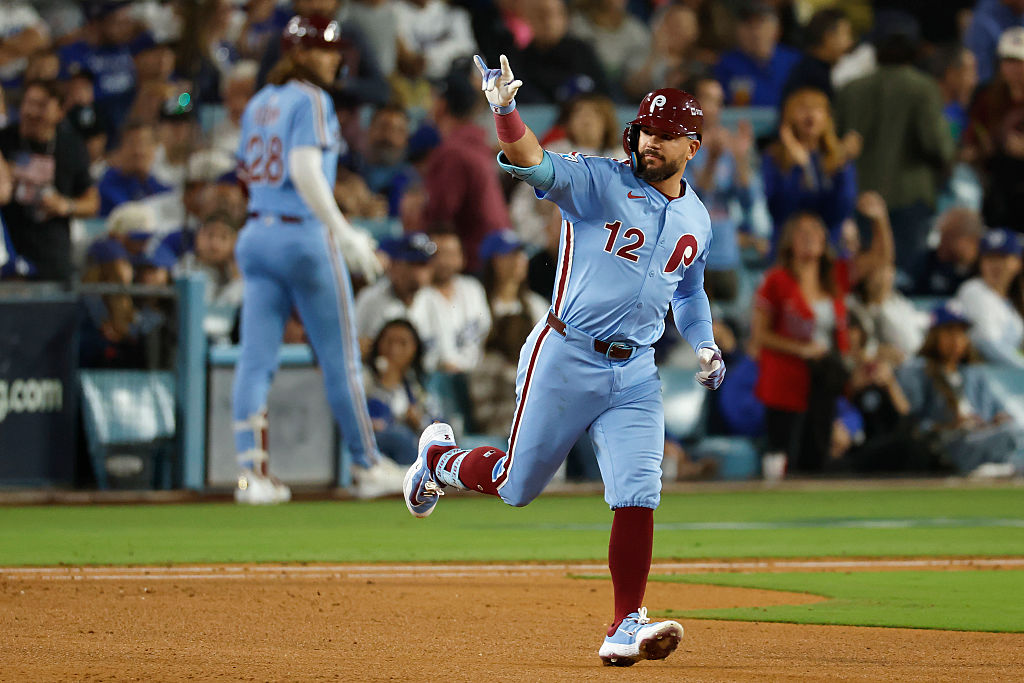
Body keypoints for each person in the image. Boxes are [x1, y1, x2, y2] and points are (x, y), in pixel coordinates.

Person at [403, 54, 725, 667]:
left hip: (635, 371)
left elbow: (688, 290)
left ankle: (626, 621)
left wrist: (704, 342)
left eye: (664, 135)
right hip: (567, 353)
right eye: (646, 130)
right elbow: (533, 160)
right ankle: (438, 462)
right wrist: (505, 111)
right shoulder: (598, 180)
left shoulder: (697, 216)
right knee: (516, 487)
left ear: (692, 146)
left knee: (638, 490)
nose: (650, 141)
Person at [232, 15, 403, 505]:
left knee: (255, 360)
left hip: (257, 231)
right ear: (300, 53)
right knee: (342, 360)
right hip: (303, 237)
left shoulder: (259, 102)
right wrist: (345, 232)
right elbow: (305, 168)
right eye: (326, 50)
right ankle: (367, 464)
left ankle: (252, 476)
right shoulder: (311, 99)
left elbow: (249, 171)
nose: (335, 58)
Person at [750, 212, 851, 474]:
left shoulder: (832, 280)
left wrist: (879, 221)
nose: (811, 237)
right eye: (802, 232)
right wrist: (802, 349)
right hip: (785, 379)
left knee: (817, 456)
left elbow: (879, 263)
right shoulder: (776, 280)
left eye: (816, 231)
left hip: (823, 381)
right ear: (788, 242)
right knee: (783, 455)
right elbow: (760, 335)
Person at [898, 302, 1024, 477]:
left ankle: (996, 469)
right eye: (949, 332)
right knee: (1010, 436)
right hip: (948, 443)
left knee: (1014, 430)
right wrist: (948, 425)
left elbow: (999, 410)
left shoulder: (973, 374)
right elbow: (912, 422)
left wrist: (997, 418)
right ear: (933, 336)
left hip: (981, 436)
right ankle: (998, 468)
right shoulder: (917, 370)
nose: (957, 339)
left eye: (961, 332)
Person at [0, 80, 98, 282]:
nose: (31, 112)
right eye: (28, 103)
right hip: (9, 252)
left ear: (60, 112)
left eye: (41, 105)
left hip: (51, 254)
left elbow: (92, 202)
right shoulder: (4, 140)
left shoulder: (72, 147)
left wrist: (65, 205)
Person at [762, 87, 857, 251]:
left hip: (830, 249)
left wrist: (842, 166)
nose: (810, 115)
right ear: (788, 117)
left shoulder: (836, 158)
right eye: (802, 108)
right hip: (786, 249)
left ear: (827, 117)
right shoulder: (775, 157)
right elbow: (779, 208)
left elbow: (840, 210)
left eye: (817, 109)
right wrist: (798, 168)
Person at [963, 27, 1024, 231]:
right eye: (1008, 60)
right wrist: (979, 149)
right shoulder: (986, 96)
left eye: (1019, 61)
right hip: (995, 186)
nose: (1013, 68)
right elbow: (972, 134)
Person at [364, 318, 440, 465]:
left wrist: (419, 423)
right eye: (388, 342)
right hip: (378, 453)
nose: (394, 350)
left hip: (412, 455)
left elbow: (438, 425)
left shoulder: (418, 386)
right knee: (399, 438)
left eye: (402, 344)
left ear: (415, 349)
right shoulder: (365, 379)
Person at [415, 229, 491, 373]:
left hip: (475, 377)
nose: (443, 261)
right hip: (431, 379)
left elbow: (486, 334)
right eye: (437, 255)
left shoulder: (473, 289)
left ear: (462, 258)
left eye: (450, 255)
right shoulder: (418, 296)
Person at [954, 228, 1024, 368]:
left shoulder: (1013, 302)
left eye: (1002, 257)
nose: (995, 265)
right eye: (990, 258)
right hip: (980, 379)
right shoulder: (974, 291)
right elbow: (988, 345)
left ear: (1017, 263)